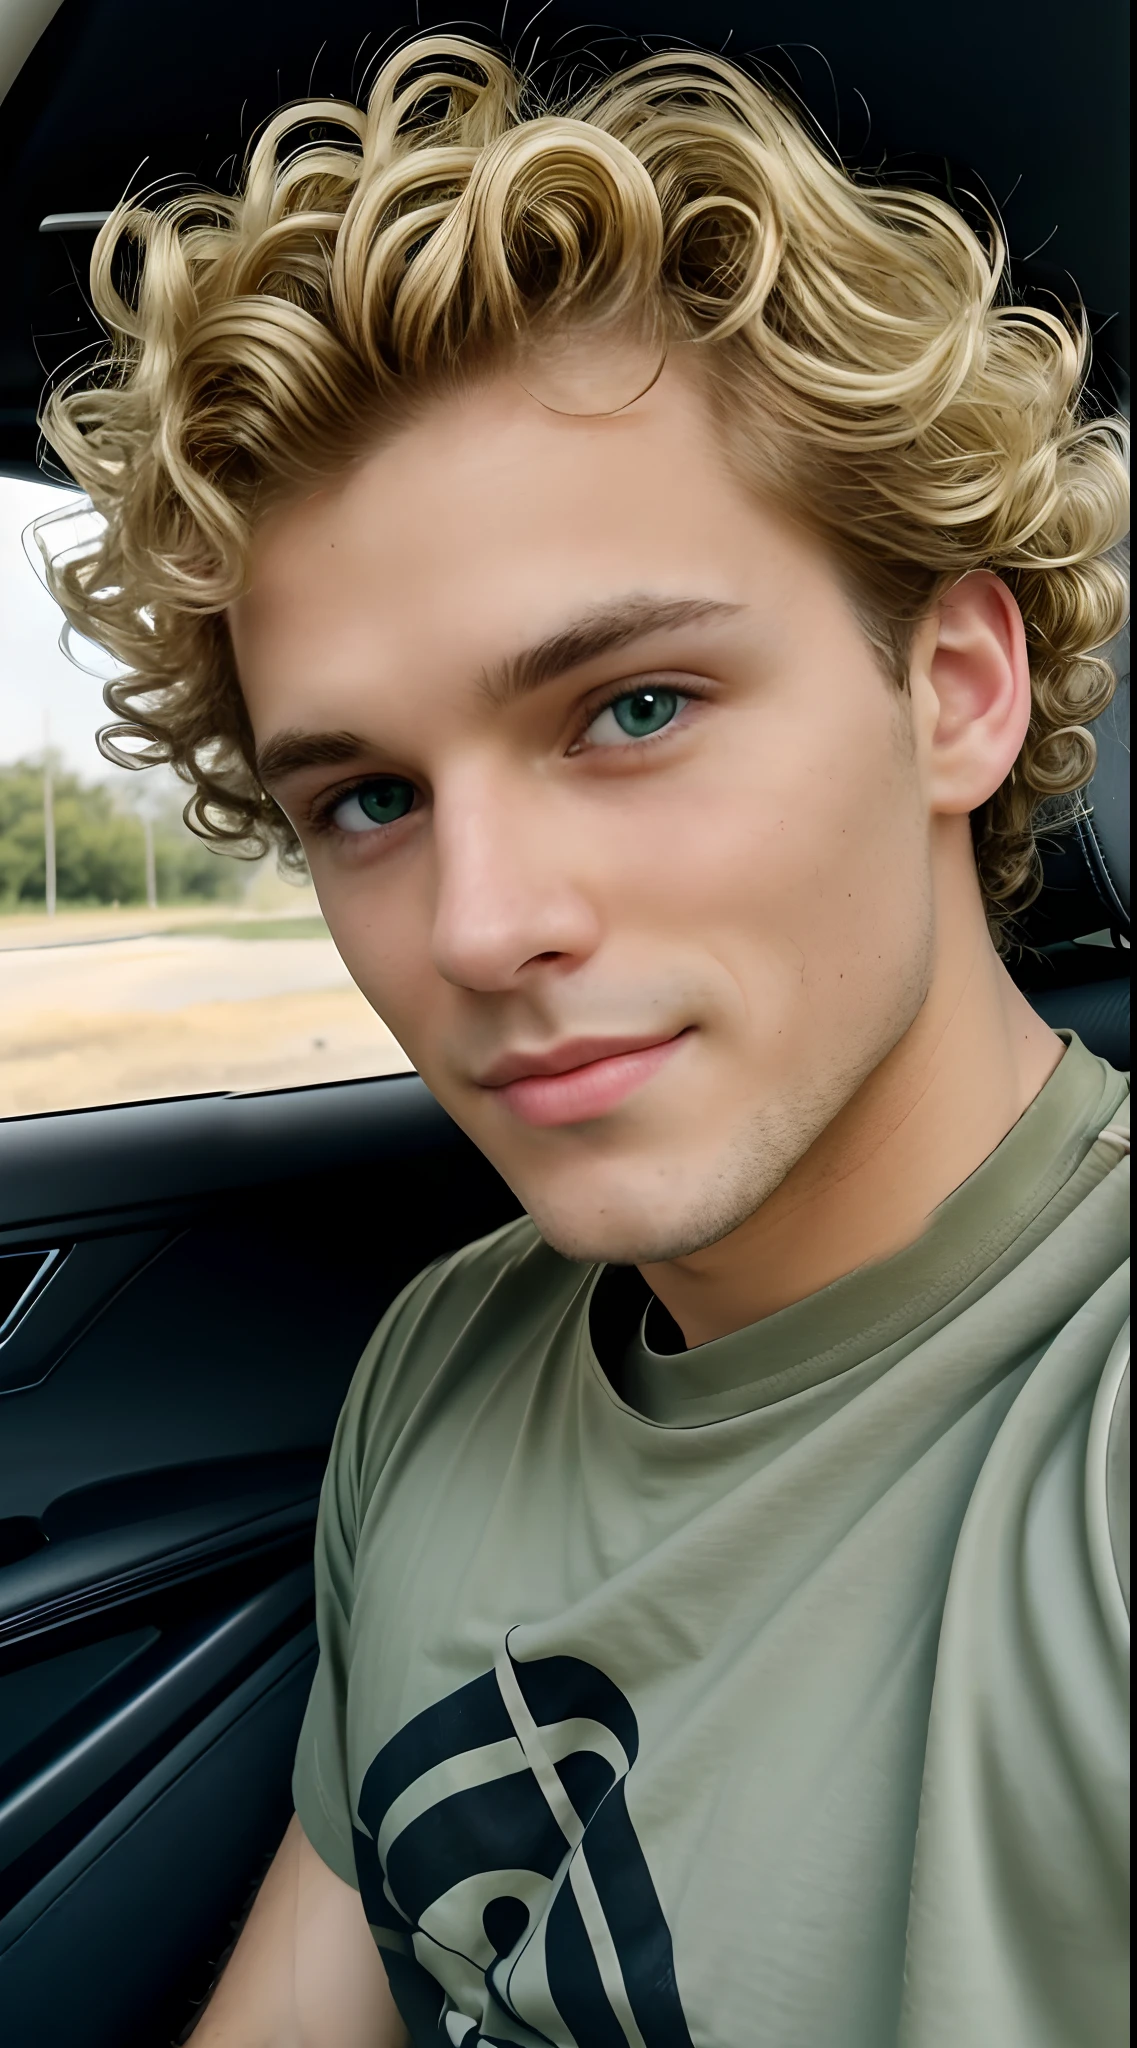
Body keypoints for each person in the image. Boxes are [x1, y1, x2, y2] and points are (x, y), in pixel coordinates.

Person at [41, 34, 1129, 2048]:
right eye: (366, 799)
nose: (476, 927)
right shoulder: (446, 1358)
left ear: (955, 693)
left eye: (632, 707)